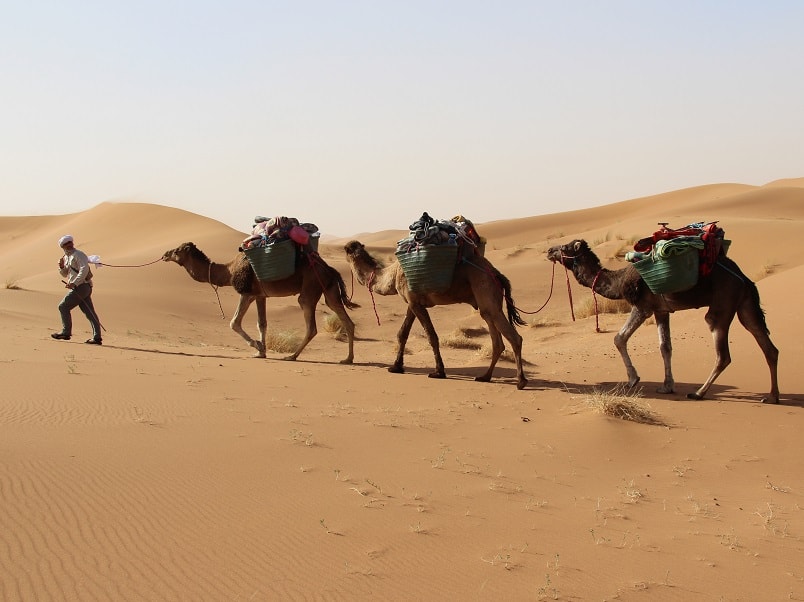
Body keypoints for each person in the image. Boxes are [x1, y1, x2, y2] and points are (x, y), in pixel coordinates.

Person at [51, 235, 103, 345]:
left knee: (63, 306)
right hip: (81, 287)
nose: (69, 244)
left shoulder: (79, 254)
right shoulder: (66, 257)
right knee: (89, 312)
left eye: (70, 242)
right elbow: (65, 274)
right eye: (66, 243)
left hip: (81, 286)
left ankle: (66, 332)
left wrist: (74, 283)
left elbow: (84, 270)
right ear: (62, 246)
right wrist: (61, 267)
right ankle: (97, 337)